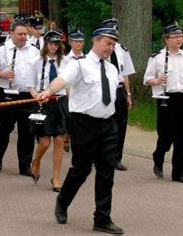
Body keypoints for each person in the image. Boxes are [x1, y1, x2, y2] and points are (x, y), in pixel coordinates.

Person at [37, 27, 123, 234]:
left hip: (108, 125)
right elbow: (62, 80)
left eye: (113, 45)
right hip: (83, 125)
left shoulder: (112, 69)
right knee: (81, 169)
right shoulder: (79, 65)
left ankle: (102, 218)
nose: (110, 48)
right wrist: (48, 91)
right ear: (95, 41)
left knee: (106, 172)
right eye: (107, 43)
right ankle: (63, 201)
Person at [144, 22, 183, 184]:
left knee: (182, 138)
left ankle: (178, 172)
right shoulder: (157, 58)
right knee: (166, 136)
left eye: (180, 36)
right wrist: (157, 80)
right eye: (175, 37)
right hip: (165, 100)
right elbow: (147, 79)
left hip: (182, 99)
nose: (179, 39)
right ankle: (158, 156)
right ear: (166, 39)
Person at [0, 21, 40, 176]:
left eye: (25, 34)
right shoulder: (1, 50)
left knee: (27, 132)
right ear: (11, 34)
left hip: (27, 96)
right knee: (3, 129)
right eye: (20, 34)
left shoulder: (34, 51)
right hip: (7, 95)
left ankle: (25, 166)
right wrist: (2, 74)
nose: (23, 37)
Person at [27, 30, 68, 192]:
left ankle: (56, 178)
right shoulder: (37, 62)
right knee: (44, 142)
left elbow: (69, 84)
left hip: (60, 102)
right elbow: (30, 85)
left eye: (56, 43)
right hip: (43, 104)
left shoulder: (66, 62)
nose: (53, 46)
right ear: (46, 44)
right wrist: (36, 96)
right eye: (50, 43)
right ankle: (36, 162)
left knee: (59, 141)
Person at [101, 18, 135, 171]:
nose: (114, 33)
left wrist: (128, 94)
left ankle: (116, 158)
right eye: (110, 30)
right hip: (105, 89)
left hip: (119, 90)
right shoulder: (99, 50)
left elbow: (125, 74)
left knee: (120, 126)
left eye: (115, 31)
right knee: (103, 124)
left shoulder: (122, 50)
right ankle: (100, 156)